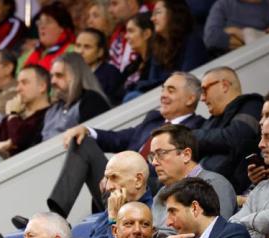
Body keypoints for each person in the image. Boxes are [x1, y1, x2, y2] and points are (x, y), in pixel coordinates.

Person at [50, 71, 204, 217]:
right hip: (115, 187)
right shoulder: (153, 119)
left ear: (190, 99)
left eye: (171, 90)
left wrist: (116, 177)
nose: (163, 95)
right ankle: (56, 215)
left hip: (147, 191)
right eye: (163, 89)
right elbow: (118, 139)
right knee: (83, 141)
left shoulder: (196, 129)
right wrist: (86, 129)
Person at [149, 124, 237, 236]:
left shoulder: (214, 185)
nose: (154, 163)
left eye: (160, 154)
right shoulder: (160, 195)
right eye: (152, 156)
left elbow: (214, 236)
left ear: (186, 155)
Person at [195, 67, 264, 193]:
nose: (202, 98)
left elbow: (236, 137)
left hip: (230, 191)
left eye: (205, 90)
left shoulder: (252, 105)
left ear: (224, 85)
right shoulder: (213, 120)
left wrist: (192, 136)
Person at [127, 0, 207, 97]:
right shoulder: (158, 48)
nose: (152, 19)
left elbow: (187, 80)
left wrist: (144, 85)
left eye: (158, 12)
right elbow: (152, 82)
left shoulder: (192, 41)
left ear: (173, 13)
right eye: (152, 14)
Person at [41, 53, 111, 142]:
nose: (53, 81)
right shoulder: (52, 111)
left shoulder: (91, 100)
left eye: (59, 75)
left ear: (76, 75)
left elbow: (93, 139)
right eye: (52, 76)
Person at [0, 65, 51, 157]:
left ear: (42, 87)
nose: (18, 89)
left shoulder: (50, 115)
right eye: (18, 83)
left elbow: (19, 140)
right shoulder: (15, 115)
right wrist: (4, 145)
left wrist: (12, 114)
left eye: (24, 83)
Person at [203, 0, 269, 56]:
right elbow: (210, 38)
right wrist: (238, 33)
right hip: (231, 58)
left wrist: (232, 32)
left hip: (261, 54)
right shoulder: (223, 4)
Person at [74, 28, 124, 105]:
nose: (80, 51)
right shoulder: (72, 76)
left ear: (100, 52)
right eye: (78, 46)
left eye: (87, 47)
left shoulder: (110, 73)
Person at [23, 3, 76, 72]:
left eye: (48, 22)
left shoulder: (73, 51)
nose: (42, 26)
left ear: (62, 28)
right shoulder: (30, 52)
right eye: (40, 22)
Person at [107, 0, 145, 72]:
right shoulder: (119, 29)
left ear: (131, 3)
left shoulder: (149, 24)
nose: (110, 10)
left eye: (115, 4)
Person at [121, 13, 154, 94]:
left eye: (131, 31)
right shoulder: (130, 68)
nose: (126, 36)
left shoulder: (158, 63)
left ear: (146, 34)